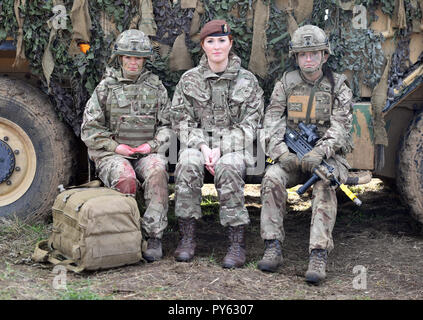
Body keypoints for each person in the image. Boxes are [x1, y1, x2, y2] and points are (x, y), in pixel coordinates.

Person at [259, 25, 353, 284]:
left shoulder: (339, 86)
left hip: (328, 157)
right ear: (296, 57)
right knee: (271, 178)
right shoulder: (286, 84)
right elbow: (271, 121)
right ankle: (272, 246)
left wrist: (319, 152)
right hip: (291, 155)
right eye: (303, 54)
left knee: (325, 183)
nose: (308, 59)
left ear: (325, 55)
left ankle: (318, 253)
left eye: (314, 53)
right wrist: (281, 153)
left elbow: (341, 128)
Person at [170, 20, 264, 268]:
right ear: (203, 46)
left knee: (229, 166)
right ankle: (187, 238)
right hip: (198, 145)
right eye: (210, 41)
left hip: (234, 148)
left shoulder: (248, 81)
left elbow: (252, 124)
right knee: (187, 163)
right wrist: (202, 147)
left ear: (230, 43)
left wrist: (221, 148)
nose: (216, 46)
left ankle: (236, 243)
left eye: (222, 40)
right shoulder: (189, 80)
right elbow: (180, 120)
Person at [81, 29, 172, 263]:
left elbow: (168, 125)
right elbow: (90, 128)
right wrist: (115, 147)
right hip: (114, 154)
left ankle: (154, 236)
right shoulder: (106, 88)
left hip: (145, 151)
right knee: (125, 178)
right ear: (120, 58)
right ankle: (125, 236)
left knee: (157, 170)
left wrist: (151, 145)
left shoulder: (156, 87)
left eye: (138, 58)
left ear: (144, 60)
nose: (133, 62)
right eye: (128, 57)